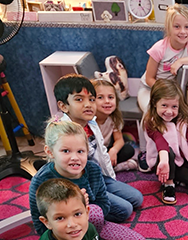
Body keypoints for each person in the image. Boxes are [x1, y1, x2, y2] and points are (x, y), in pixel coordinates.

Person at [28, 119, 147, 240]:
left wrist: (86, 208)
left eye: (80, 151)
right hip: (61, 234)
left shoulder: (93, 169)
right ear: (50, 152)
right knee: (95, 213)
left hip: (92, 226)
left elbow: (104, 205)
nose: (75, 158)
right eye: (66, 151)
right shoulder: (41, 180)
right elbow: (39, 221)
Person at [54, 74, 144, 224]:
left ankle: (105, 197)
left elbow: (102, 152)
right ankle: (91, 213)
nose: (88, 104)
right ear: (63, 106)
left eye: (91, 99)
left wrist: (111, 178)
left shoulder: (92, 124)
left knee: (137, 198)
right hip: (81, 185)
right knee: (125, 210)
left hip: (99, 177)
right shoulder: (63, 132)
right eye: (79, 99)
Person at [143, 78, 188, 204]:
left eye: (174, 106)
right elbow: (162, 144)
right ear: (155, 103)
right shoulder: (151, 122)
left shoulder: (181, 121)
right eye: (164, 105)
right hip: (162, 163)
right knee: (169, 152)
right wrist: (165, 163)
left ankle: (178, 178)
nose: (169, 111)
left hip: (180, 162)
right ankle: (169, 185)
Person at [137, 4, 188, 115]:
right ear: (168, 28)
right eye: (177, 27)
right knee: (152, 113)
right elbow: (149, 78)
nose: (182, 31)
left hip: (171, 93)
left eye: (187, 27)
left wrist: (180, 61)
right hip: (150, 89)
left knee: (178, 115)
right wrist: (164, 93)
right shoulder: (159, 48)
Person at [92, 78, 136, 172]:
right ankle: (111, 168)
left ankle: (110, 167)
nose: (107, 101)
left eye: (110, 97)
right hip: (92, 153)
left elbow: (119, 140)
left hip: (106, 150)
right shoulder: (89, 120)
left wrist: (113, 151)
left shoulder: (114, 118)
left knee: (128, 150)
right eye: (100, 97)